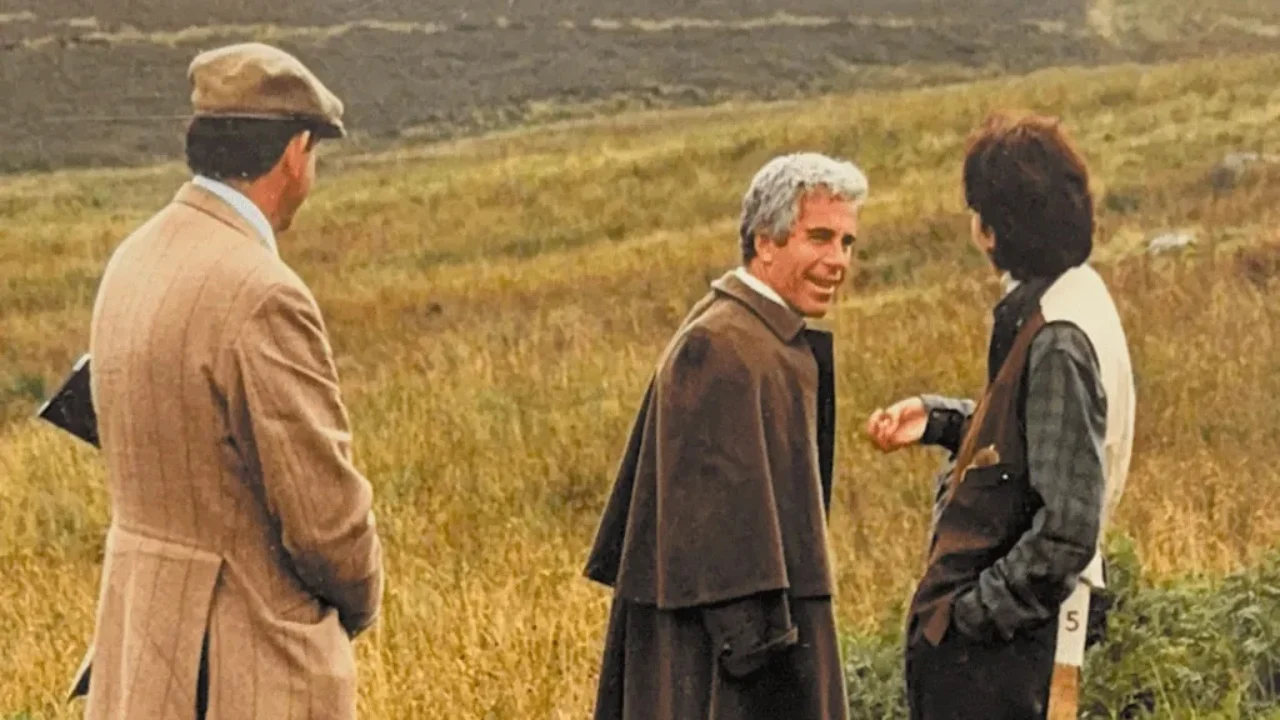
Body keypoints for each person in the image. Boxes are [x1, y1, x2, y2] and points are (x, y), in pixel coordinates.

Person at [67, 42, 384, 720]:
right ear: (295, 152)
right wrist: (361, 599)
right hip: (247, 668)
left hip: (140, 659)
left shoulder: (133, 258)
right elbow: (325, 523)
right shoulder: (263, 291)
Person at [865, 112, 1135, 719]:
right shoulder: (1077, 297)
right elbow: (1041, 443)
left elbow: (1067, 529)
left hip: (1010, 656)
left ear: (992, 228)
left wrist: (970, 616)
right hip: (1025, 639)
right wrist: (941, 421)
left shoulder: (1059, 335)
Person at [583, 152, 868, 720]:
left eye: (847, 242)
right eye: (819, 237)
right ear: (765, 242)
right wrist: (770, 681)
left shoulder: (759, 337)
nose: (838, 260)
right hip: (727, 671)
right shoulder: (720, 345)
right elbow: (719, 547)